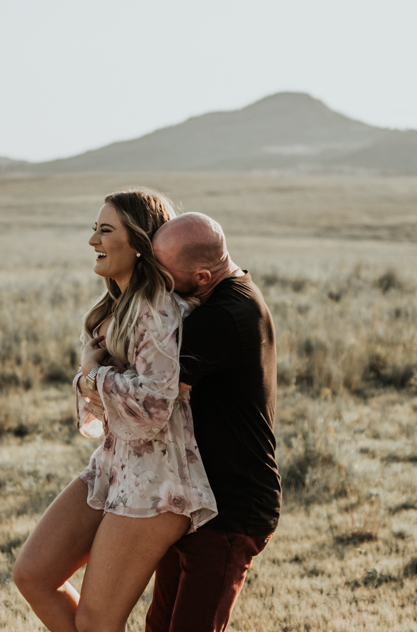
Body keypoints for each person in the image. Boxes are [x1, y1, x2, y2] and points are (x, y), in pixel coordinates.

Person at [12, 189, 217, 632]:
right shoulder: (119, 308)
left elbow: (154, 405)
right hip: (114, 463)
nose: (93, 241)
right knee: (33, 575)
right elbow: (103, 400)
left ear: (140, 243)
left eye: (106, 231)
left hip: (157, 481)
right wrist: (92, 380)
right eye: (95, 230)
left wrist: (91, 376)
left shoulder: (157, 313)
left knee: (97, 621)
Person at [145, 212, 281, 632]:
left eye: (163, 275)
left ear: (202, 276)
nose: (158, 284)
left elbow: (150, 398)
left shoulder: (222, 317)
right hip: (198, 499)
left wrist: (92, 375)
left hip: (230, 511)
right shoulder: (236, 293)